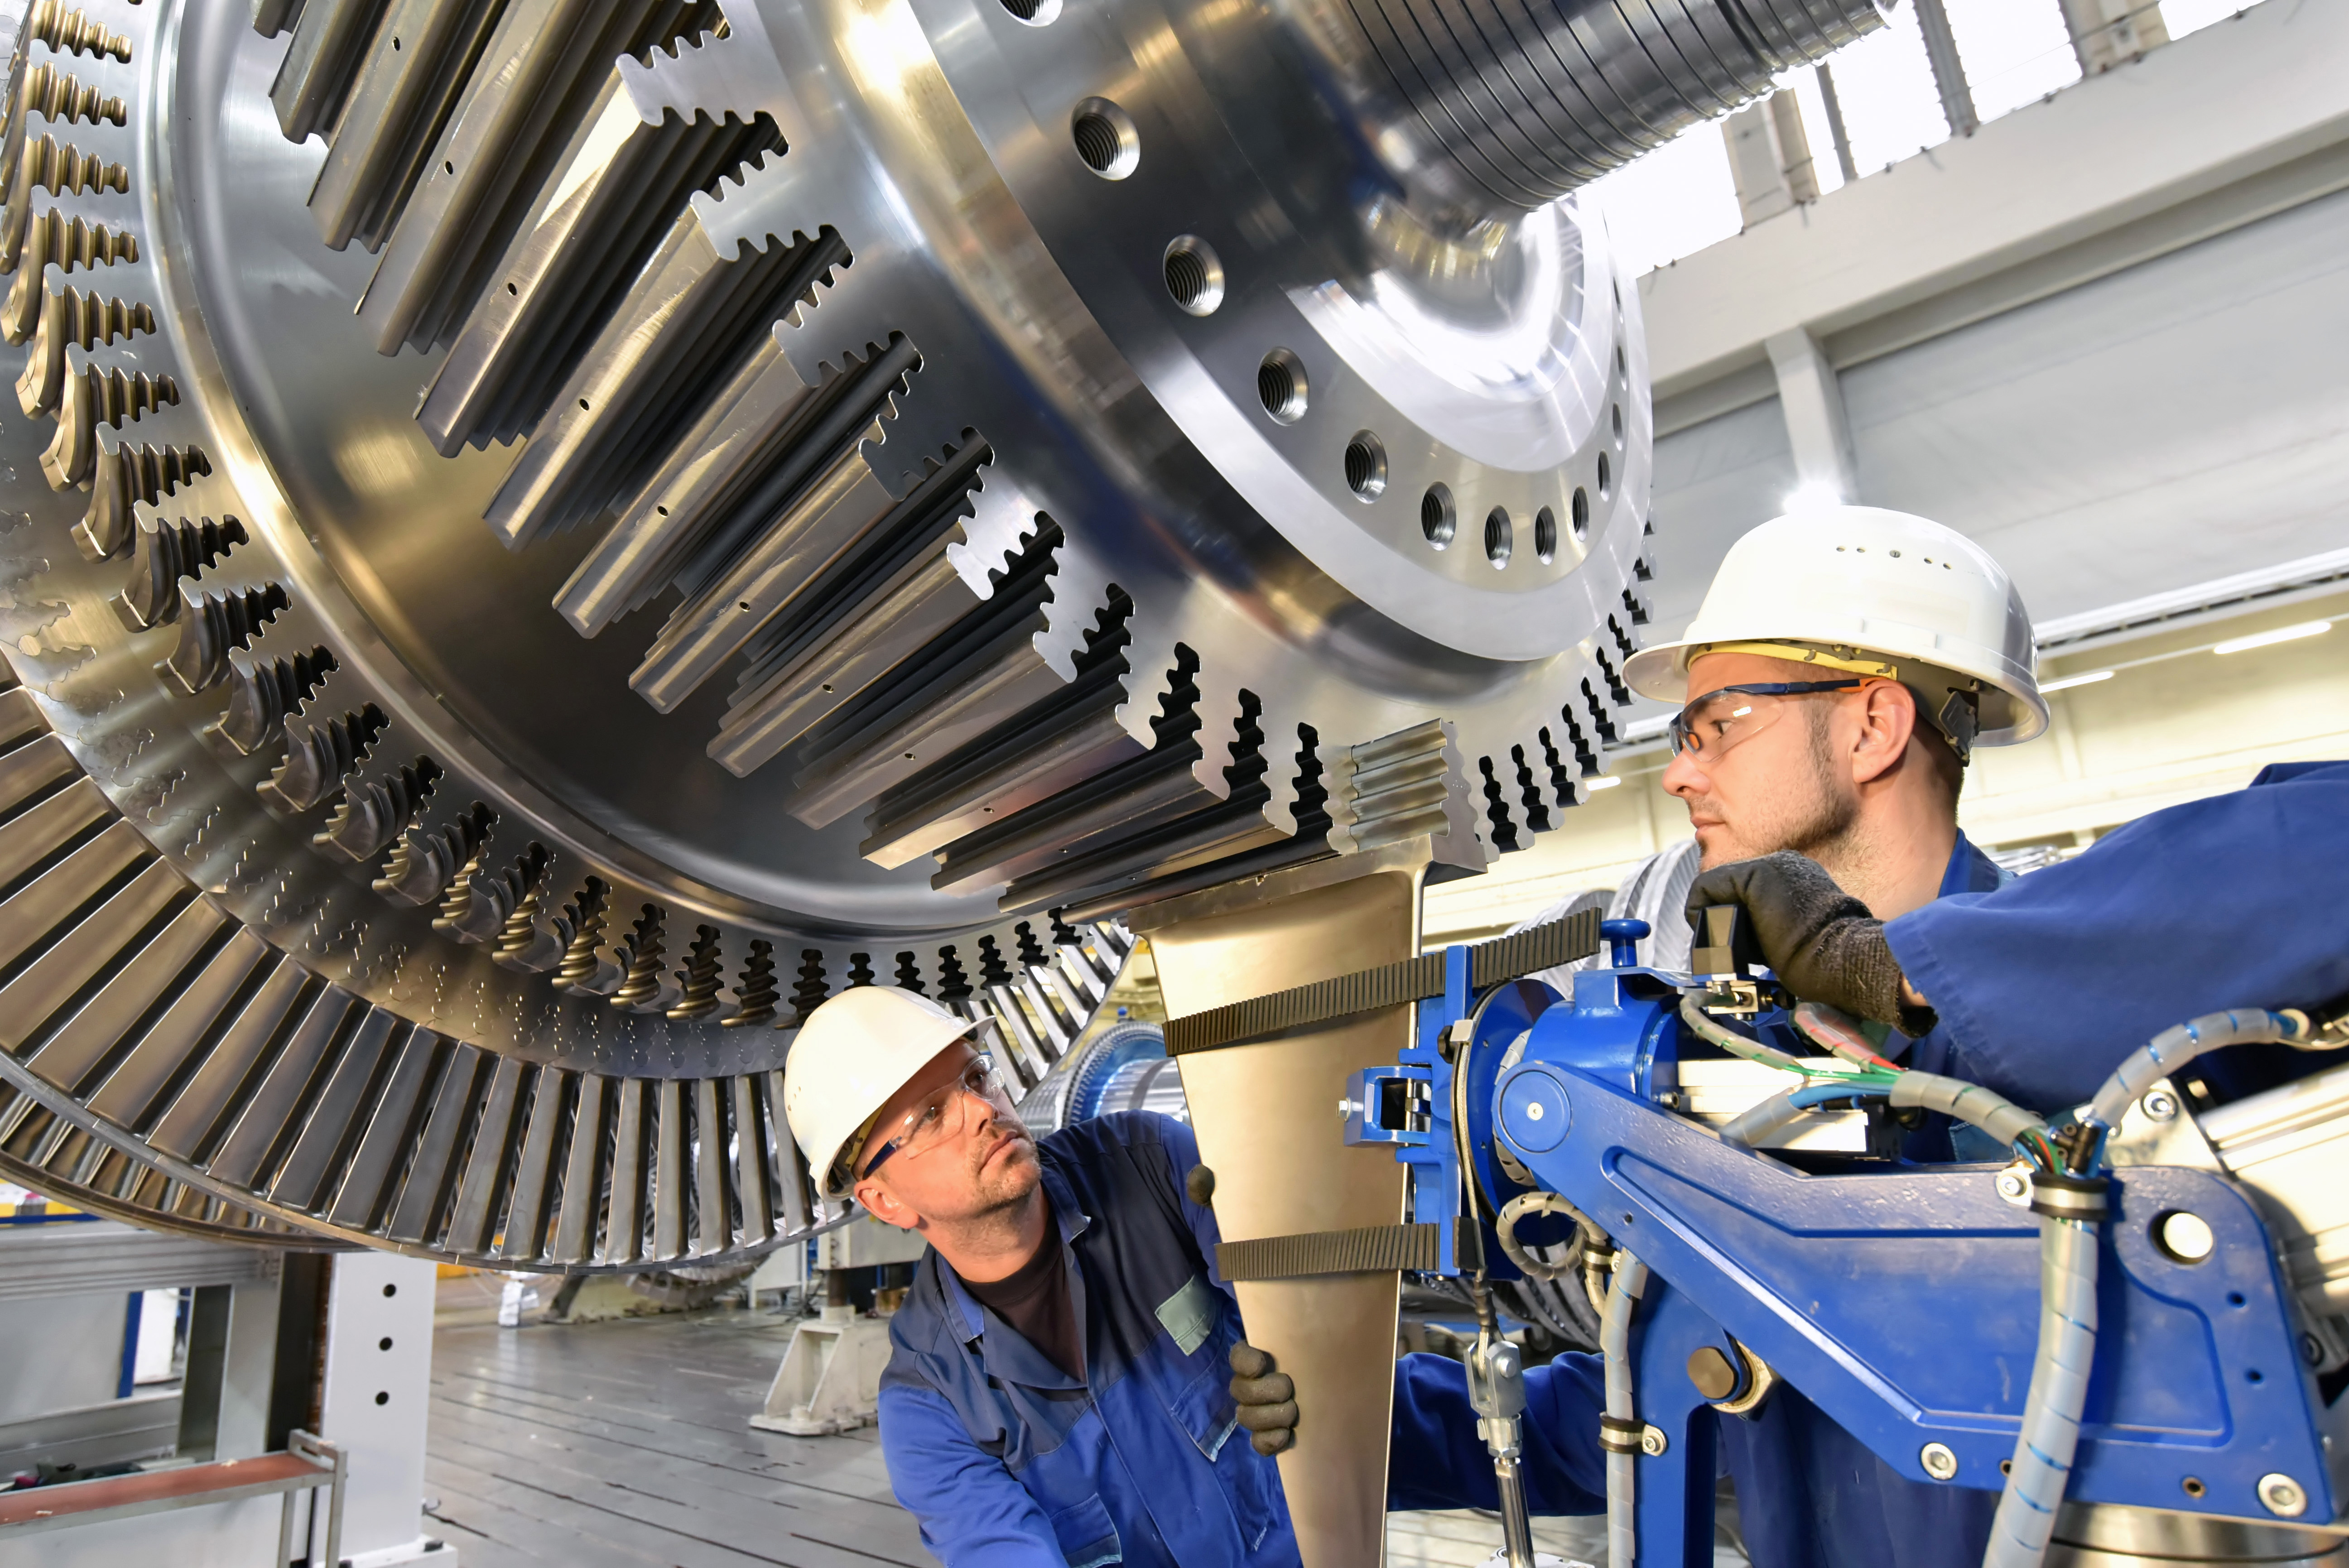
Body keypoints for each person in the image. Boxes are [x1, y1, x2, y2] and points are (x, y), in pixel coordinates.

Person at [780, 984, 1295, 1568]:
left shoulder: (1151, 1166)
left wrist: (1306, 1356)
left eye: (976, 1078)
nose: (984, 1110)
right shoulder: (932, 1405)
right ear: (883, 1201)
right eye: (929, 1116)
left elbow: (1316, 1330)